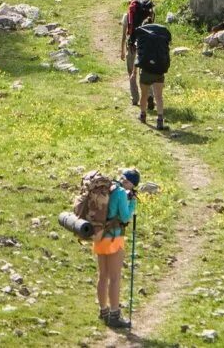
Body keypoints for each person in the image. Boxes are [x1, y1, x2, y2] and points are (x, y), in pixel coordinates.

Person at [94, 168, 139, 328]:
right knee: (115, 278)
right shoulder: (121, 193)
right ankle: (114, 315)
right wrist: (133, 202)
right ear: (131, 184)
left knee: (102, 275)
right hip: (114, 237)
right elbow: (125, 217)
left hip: (99, 236)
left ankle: (103, 310)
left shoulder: (109, 187)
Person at [134, 21, 172, 131]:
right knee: (159, 96)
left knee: (144, 95)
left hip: (146, 70)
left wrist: (134, 71)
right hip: (159, 70)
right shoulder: (161, 35)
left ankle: (143, 115)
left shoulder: (143, 37)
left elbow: (139, 55)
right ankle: (160, 120)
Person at [120, 0, 155, 110]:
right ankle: (150, 95)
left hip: (132, 46)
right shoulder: (148, 14)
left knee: (131, 71)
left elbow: (124, 35)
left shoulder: (127, 16)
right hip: (145, 46)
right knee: (144, 71)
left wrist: (122, 50)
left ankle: (135, 98)